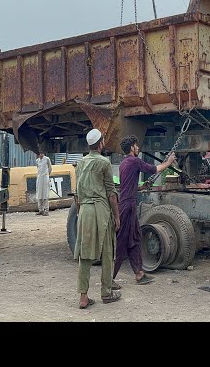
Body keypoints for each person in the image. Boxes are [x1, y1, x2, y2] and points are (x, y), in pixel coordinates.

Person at [113, 135, 176, 285]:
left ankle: (139, 273)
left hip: (127, 204)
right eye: (136, 146)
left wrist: (141, 187)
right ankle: (110, 278)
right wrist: (169, 162)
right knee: (122, 242)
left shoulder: (123, 164)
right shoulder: (134, 161)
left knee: (134, 238)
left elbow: (127, 186)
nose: (138, 148)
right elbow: (155, 169)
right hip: (128, 206)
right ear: (132, 148)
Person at [73, 128, 122, 309]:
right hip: (101, 210)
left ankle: (83, 297)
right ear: (100, 143)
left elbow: (77, 195)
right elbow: (111, 193)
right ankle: (106, 292)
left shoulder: (80, 164)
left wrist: (80, 214)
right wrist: (117, 216)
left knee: (85, 254)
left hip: (85, 210)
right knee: (107, 251)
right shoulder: (104, 163)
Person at [35, 151, 52, 216]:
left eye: (42, 153)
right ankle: (40, 210)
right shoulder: (37, 161)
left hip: (45, 178)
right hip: (39, 178)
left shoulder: (47, 159)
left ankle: (46, 210)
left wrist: (47, 175)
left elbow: (50, 168)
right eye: (39, 154)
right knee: (39, 194)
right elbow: (38, 168)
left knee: (45, 194)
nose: (40, 155)